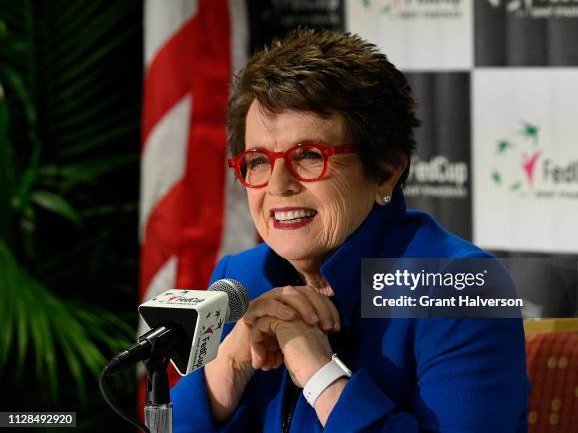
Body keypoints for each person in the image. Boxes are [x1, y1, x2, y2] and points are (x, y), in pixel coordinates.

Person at [171, 29, 529, 432]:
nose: (277, 185)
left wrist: (320, 374)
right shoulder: (240, 279)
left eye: (308, 156)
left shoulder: (460, 287)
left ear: (386, 171)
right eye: (257, 160)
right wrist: (231, 363)